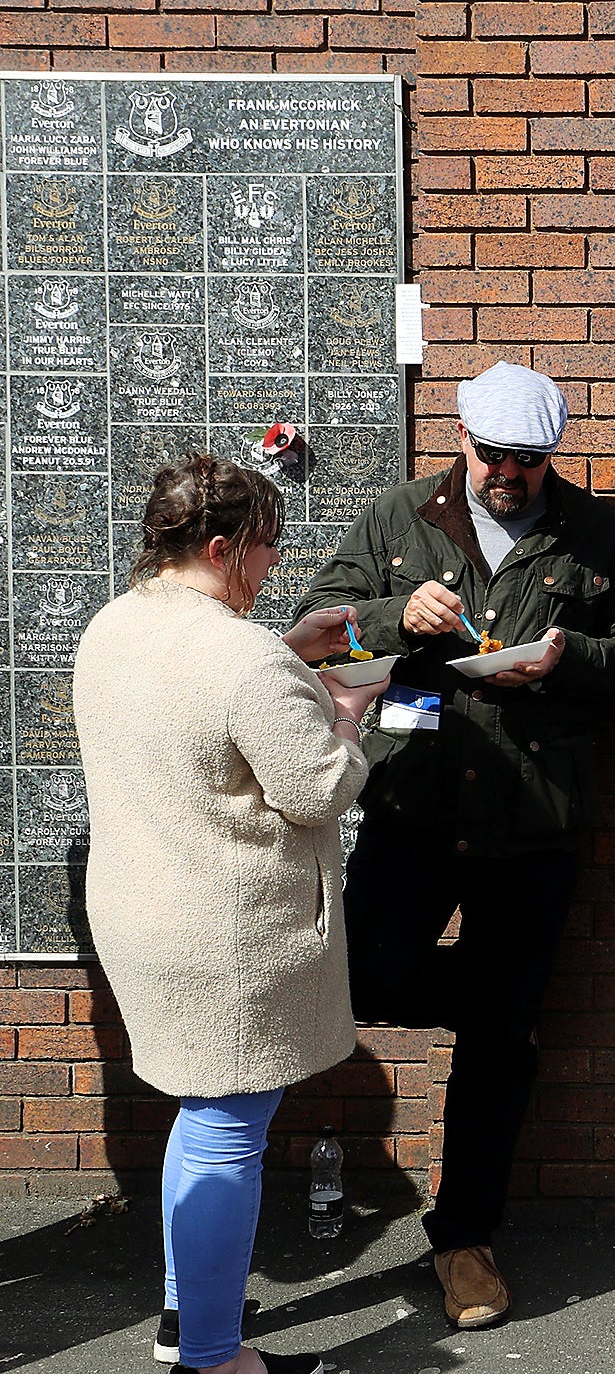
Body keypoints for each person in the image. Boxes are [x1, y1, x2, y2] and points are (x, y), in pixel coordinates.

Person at [296, 361, 615, 1329]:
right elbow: (311, 640)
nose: (509, 473)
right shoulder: (396, 518)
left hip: (531, 820)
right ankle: (497, 1003)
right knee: (369, 979)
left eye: (530, 460)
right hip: (412, 809)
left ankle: (464, 1241)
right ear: (458, 438)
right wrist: (390, 617)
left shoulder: (595, 533)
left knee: (498, 1050)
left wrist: (565, 662)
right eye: (493, 454)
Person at [74, 455, 389, 1374]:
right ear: (221, 547)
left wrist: (289, 651)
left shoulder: (112, 627)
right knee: (226, 1132)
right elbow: (315, 788)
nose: (269, 570)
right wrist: (346, 714)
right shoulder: (244, 657)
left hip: (142, 913)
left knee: (200, 1115)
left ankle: (186, 1313)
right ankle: (213, 1360)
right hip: (229, 933)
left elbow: (192, 706)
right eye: (264, 552)